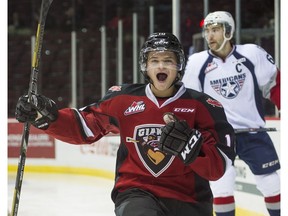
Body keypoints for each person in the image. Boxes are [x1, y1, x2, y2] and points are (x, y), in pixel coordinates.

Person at [15, 32, 235, 216]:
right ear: (145, 66)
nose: (161, 66)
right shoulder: (122, 99)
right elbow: (83, 126)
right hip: (137, 192)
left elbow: (219, 168)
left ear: (179, 66)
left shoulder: (204, 106)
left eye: (168, 60)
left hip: (190, 200)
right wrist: (46, 116)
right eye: (154, 61)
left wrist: (191, 148)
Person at [182, 11, 281, 216]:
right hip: (218, 137)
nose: (209, 36)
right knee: (221, 187)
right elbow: (189, 101)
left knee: (272, 185)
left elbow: (275, 86)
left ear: (228, 31)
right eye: (207, 31)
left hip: (252, 132)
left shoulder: (252, 54)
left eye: (215, 30)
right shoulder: (196, 63)